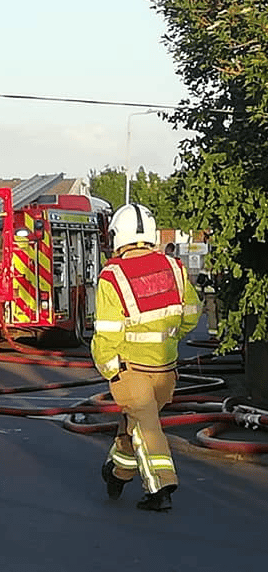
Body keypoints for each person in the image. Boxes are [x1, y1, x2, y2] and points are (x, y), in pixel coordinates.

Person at [91, 204, 201, 511]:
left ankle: (161, 487)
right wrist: (171, 339)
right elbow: (191, 312)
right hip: (166, 371)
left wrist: (109, 369)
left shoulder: (112, 276)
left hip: (131, 369)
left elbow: (107, 333)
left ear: (117, 235)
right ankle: (118, 472)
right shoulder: (174, 267)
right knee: (137, 424)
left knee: (147, 427)